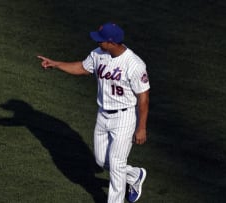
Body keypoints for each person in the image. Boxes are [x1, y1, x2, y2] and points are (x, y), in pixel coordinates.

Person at [37, 22, 150, 203]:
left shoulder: (134, 64)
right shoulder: (98, 54)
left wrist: (141, 127)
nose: (98, 42)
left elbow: (143, 98)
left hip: (125, 117)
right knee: (100, 161)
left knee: (116, 164)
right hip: (103, 114)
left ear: (112, 42)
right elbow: (82, 68)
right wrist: (56, 64)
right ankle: (134, 175)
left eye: (101, 40)